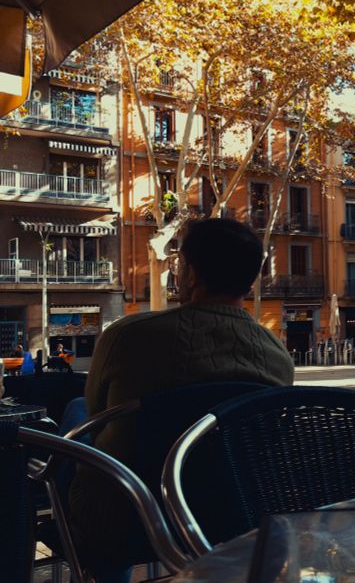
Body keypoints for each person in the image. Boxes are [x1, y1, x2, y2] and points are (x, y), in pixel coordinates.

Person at [67, 218, 295, 581]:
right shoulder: (276, 355)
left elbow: (98, 422)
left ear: (190, 274)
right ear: (251, 279)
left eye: (179, 262)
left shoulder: (126, 336)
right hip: (230, 516)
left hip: (128, 520)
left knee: (77, 411)